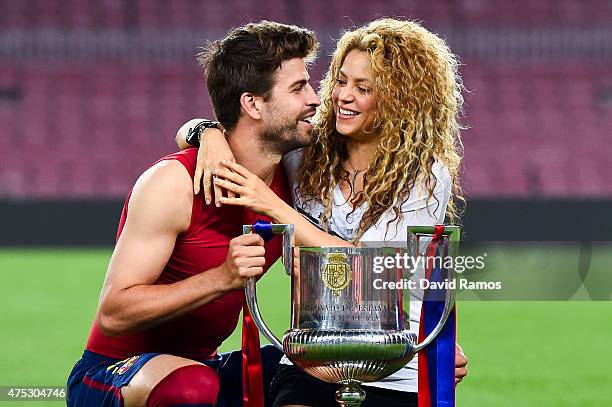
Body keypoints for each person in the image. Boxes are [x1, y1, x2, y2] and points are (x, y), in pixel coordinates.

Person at [177, 18, 468, 407]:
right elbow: (205, 128)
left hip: (397, 365)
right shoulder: (308, 151)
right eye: (341, 80)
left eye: (363, 88)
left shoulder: (424, 175)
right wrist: (209, 134)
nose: (343, 96)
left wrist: (273, 205)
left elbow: (364, 269)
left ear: (402, 100)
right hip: (313, 358)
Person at [67, 21, 320, 407]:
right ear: (252, 103)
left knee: (316, 367)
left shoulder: (292, 171)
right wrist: (222, 277)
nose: (315, 99)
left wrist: (206, 130)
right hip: (113, 373)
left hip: (205, 366)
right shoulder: (173, 183)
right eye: (299, 88)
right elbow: (113, 313)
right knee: (191, 388)